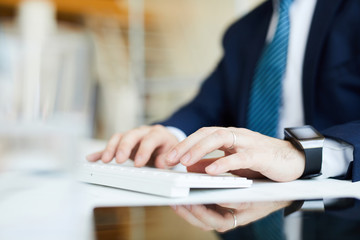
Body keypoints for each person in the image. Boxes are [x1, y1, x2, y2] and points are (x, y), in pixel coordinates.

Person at [87, 0, 360, 238]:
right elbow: (207, 107)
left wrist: (300, 154)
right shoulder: (244, 30)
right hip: (247, 212)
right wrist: (173, 135)